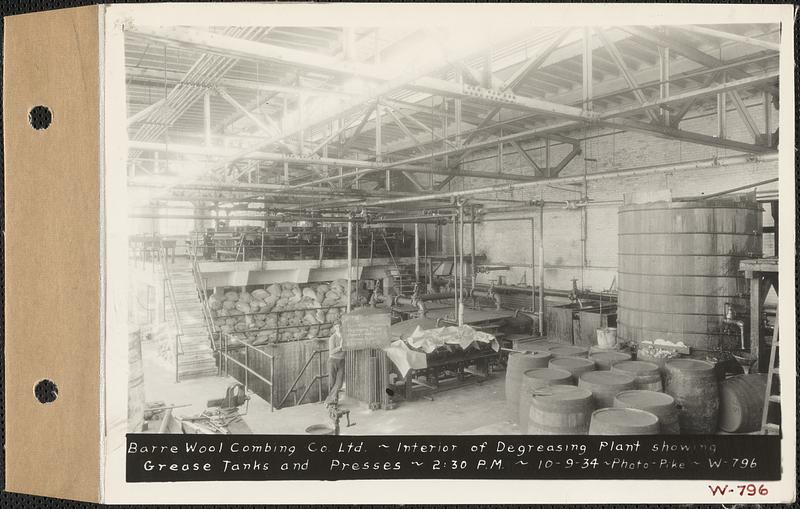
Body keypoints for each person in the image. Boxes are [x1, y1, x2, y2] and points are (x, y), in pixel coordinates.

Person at [325, 325, 346, 406]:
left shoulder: (345, 337)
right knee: (332, 382)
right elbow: (331, 351)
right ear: (334, 328)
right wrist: (340, 347)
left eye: (340, 326)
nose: (339, 328)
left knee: (339, 382)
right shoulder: (332, 338)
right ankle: (334, 401)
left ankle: (328, 400)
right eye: (337, 327)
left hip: (342, 361)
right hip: (333, 361)